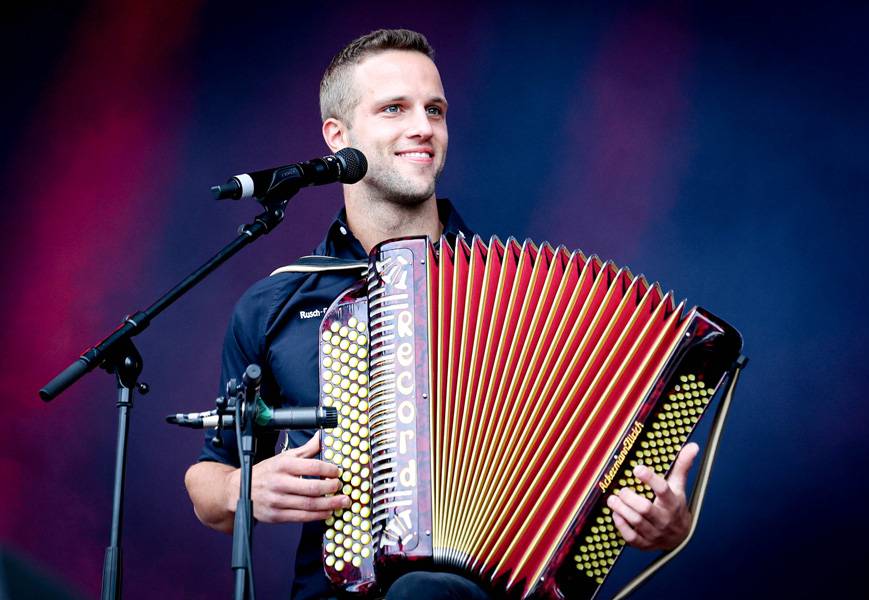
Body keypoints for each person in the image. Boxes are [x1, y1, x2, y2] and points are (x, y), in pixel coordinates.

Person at [184, 29, 699, 600]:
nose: (423, 128)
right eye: (393, 109)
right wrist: (244, 488)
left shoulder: (522, 292)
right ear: (337, 136)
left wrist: (667, 525)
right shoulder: (277, 302)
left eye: (435, 110)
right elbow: (209, 481)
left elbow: (611, 469)